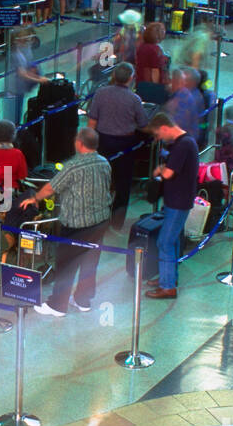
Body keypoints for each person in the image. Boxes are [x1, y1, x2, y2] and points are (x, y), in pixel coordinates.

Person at [21, 128, 112, 316]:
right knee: (90, 263)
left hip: (76, 224)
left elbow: (50, 188)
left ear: (79, 143)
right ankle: (83, 300)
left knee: (66, 264)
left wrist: (35, 199)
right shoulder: (104, 163)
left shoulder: (73, 166)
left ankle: (57, 305)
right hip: (101, 220)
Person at [143, 112, 199, 300]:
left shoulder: (183, 145)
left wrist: (160, 170)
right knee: (172, 240)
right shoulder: (185, 142)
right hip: (176, 200)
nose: (159, 139)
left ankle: (168, 287)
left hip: (178, 201)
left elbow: (167, 174)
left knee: (165, 242)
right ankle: (168, 278)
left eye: (158, 135)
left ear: (164, 128)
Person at [87, 61, 149, 228]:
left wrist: (89, 146)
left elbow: (92, 121)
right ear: (131, 78)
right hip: (125, 145)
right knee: (123, 184)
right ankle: (116, 223)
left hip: (102, 142)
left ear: (113, 76)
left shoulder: (100, 93)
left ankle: (96, 218)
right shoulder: (134, 99)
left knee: (101, 180)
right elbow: (143, 124)